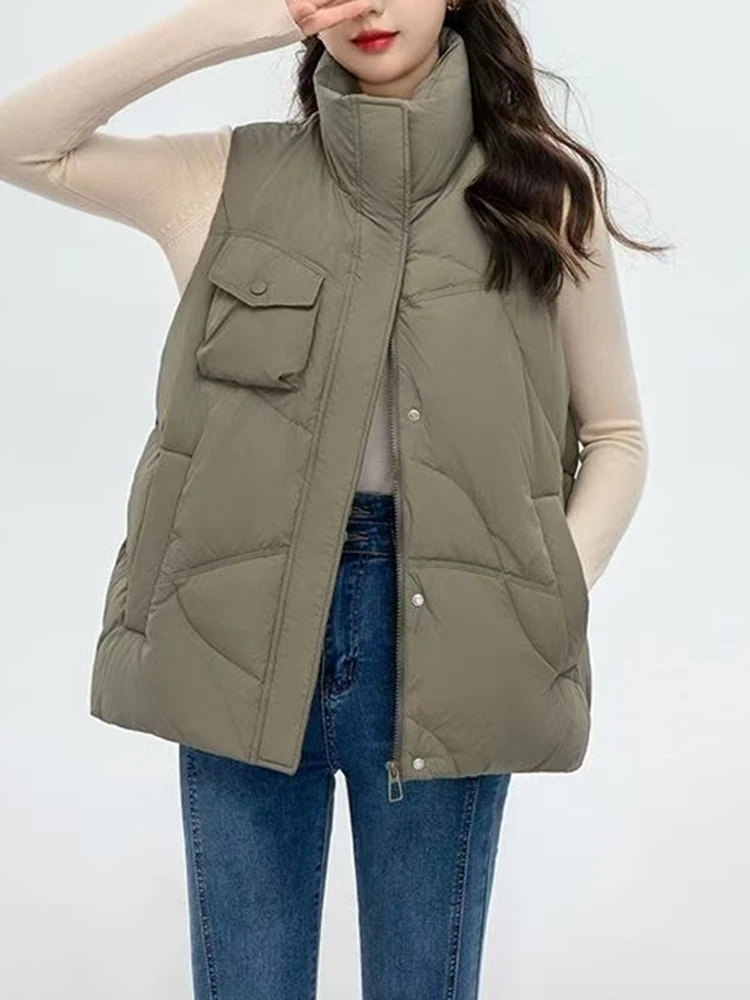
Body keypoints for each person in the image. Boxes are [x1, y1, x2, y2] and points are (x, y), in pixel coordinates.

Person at [0, 1, 655, 997]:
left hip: (460, 635)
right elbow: (20, 141)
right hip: (237, 634)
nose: (370, 4)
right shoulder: (224, 177)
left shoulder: (545, 192)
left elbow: (617, 439)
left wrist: (548, 587)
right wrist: (242, 21)